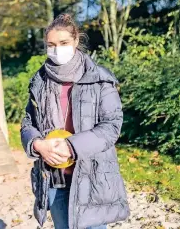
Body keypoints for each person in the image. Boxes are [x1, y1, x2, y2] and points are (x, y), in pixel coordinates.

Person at [21, 13, 130, 229]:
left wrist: (72, 146)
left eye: (63, 43)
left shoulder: (99, 78)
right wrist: (37, 144)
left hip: (93, 176)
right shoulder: (39, 81)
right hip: (54, 178)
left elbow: (111, 126)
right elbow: (27, 122)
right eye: (50, 44)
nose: (56, 49)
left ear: (76, 41)